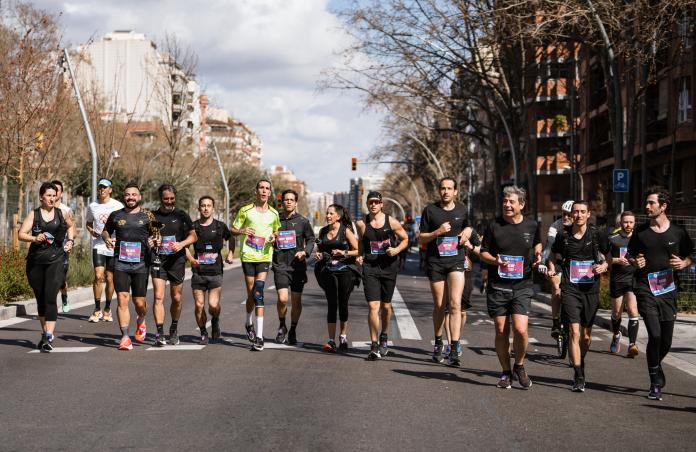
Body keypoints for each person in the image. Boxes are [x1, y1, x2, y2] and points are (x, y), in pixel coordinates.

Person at [626, 187, 693, 401]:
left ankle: (656, 366)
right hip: (646, 287)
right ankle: (655, 381)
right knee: (654, 335)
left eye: (651, 203)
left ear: (663, 206)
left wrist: (684, 263)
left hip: (669, 291)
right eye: (647, 203)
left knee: (666, 341)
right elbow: (629, 256)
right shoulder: (641, 232)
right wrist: (635, 261)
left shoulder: (678, 232)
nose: (647, 206)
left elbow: (690, 256)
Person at [480, 186, 542, 389]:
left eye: (511, 201)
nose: (507, 204)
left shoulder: (532, 225)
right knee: (500, 330)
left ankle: (520, 365)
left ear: (521, 204)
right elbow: (483, 252)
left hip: (522, 284)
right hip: (498, 285)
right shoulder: (493, 226)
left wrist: (538, 255)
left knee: (521, 330)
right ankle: (506, 372)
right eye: (505, 201)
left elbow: (537, 244)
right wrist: (495, 262)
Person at [548, 200, 609, 392]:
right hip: (571, 289)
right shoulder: (563, 236)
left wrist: (604, 266)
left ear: (588, 214)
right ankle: (578, 375)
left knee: (586, 336)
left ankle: (580, 359)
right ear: (571, 214)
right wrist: (553, 272)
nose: (579, 215)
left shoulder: (597, 234)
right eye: (576, 212)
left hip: (591, 289)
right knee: (574, 332)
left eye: (583, 212)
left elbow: (608, 257)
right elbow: (552, 256)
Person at [418, 177, 470, 366]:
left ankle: (454, 347)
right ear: (438, 191)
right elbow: (421, 239)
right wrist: (437, 232)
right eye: (443, 188)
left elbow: (469, 226)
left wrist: (468, 232)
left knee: (455, 304)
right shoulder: (430, 210)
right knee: (440, 305)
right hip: (436, 262)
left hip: (456, 260)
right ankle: (438, 341)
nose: (446, 191)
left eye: (449, 188)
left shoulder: (462, 209)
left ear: (456, 191)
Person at [18, 182, 75, 352]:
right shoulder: (34, 215)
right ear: (41, 197)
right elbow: (21, 234)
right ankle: (45, 334)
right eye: (48, 195)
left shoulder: (62, 213)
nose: (52, 198)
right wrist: (35, 238)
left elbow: (72, 227)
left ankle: (49, 335)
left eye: (54, 195)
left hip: (56, 260)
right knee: (41, 298)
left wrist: (70, 241)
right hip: (35, 261)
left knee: (50, 296)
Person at [102, 182, 157, 351]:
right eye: (127, 195)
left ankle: (141, 318)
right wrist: (106, 239)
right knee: (122, 299)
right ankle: (125, 336)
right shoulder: (115, 215)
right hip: (120, 263)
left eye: (134, 195)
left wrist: (154, 240)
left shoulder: (148, 215)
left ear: (139, 197)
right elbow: (105, 231)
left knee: (139, 301)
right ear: (123, 197)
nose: (130, 197)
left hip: (141, 264)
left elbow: (156, 235)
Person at [356, 191, 409, 360]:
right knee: (373, 306)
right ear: (367, 204)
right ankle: (373, 345)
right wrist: (359, 255)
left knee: (386, 307)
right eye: (370, 202)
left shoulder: (391, 222)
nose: (373, 205)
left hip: (388, 268)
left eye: (376, 202)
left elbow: (405, 239)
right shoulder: (362, 224)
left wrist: (396, 250)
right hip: (370, 268)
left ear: (381, 204)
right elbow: (361, 242)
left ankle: (384, 336)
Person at [231, 179, 281, 351]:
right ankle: (248, 320)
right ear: (256, 190)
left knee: (258, 292)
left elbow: (276, 231)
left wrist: (274, 236)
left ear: (269, 192)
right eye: (261, 187)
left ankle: (259, 337)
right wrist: (242, 231)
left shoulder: (274, 213)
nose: (264, 191)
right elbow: (233, 229)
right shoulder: (245, 210)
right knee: (251, 294)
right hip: (248, 256)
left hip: (265, 256)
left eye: (267, 188)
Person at [151, 184, 197, 346]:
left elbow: (193, 236)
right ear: (160, 198)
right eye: (166, 199)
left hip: (176, 260)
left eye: (171, 199)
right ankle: (159, 332)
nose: (169, 202)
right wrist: (150, 241)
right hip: (158, 260)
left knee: (176, 297)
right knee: (158, 296)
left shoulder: (181, 215)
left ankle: (174, 328)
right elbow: (146, 236)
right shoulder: (152, 216)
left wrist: (181, 244)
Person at [186, 196, 234, 345]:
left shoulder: (220, 226)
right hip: (198, 273)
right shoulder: (193, 227)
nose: (206, 208)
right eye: (203, 206)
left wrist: (231, 253)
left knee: (213, 305)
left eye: (209, 206)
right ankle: (203, 332)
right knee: (199, 305)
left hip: (215, 272)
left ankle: (215, 320)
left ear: (213, 208)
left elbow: (231, 238)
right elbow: (185, 245)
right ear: (199, 208)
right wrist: (191, 259)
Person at [314, 204, 360, 353]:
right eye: (327, 213)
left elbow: (358, 250)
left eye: (331, 213)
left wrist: (343, 252)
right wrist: (318, 254)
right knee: (331, 303)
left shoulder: (345, 231)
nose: (328, 216)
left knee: (343, 303)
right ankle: (331, 340)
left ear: (338, 216)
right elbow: (319, 249)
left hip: (345, 270)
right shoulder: (322, 231)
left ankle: (343, 336)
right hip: (328, 270)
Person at [272, 189, 315, 345]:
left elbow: (311, 239)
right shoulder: (275, 219)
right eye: (286, 199)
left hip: (297, 267)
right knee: (283, 299)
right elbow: (268, 235)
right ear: (282, 202)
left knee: (296, 301)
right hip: (280, 264)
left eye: (291, 199)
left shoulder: (303, 221)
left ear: (296, 202)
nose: (288, 202)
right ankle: (282, 325)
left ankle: (293, 329)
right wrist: (271, 237)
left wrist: (305, 251)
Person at [85, 178, 124, 323]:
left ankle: (107, 309)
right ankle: (96, 309)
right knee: (98, 275)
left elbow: (122, 223)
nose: (102, 190)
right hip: (99, 244)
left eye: (105, 187)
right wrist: (92, 231)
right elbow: (89, 223)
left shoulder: (118, 206)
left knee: (109, 277)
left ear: (110, 190)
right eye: (100, 187)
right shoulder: (93, 206)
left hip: (113, 244)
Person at [606, 211, 639, 357]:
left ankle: (632, 344)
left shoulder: (639, 239)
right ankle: (616, 335)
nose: (628, 225)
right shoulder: (613, 239)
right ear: (621, 223)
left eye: (631, 222)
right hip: (617, 280)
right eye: (626, 222)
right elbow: (604, 260)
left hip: (632, 280)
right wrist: (617, 260)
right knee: (616, 313)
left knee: (632, 310)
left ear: (634, 223)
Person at [540, 200, 574, 339]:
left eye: (569, 215)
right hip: (558, 262)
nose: (566, 217)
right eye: (564, 214)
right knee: (556, 286)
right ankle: (555, 322)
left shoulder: (582, 226)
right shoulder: (555, 226)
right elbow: (548, 247)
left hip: (576, 265)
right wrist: (543, 263)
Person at [51, 180, 76, 314]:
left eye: (57, 190)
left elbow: (74, 230)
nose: (54, 193)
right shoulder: (44, 209)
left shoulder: (66, 210)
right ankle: (51, 305)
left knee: (60, 278)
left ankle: (64, 296)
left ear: (61, 193)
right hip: (47, 249)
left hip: (62, 248)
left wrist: (69, 242)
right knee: (50, 277)